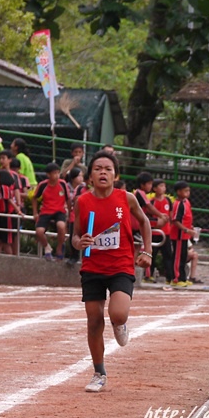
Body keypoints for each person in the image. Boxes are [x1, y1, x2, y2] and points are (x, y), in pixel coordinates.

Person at [72, 150, 152, 393]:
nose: (103, 172)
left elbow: (145, 222)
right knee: (94, 321)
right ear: (90, 177)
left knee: (117, 313)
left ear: (115, 175)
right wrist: (79, 242)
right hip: (92, 268)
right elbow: (75, 236)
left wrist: (146, 251)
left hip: (120, 266)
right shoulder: (83, 202)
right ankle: (99, 372)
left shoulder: (126, 199)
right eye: (97, 169)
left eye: (108, 168)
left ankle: (120, 323)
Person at [32, 162, 72, 261]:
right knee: (39, 231)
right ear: (48, 174)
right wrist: (35, 212)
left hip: (59, 210)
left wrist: (70, 211)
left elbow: (68, 199)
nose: (56, 175)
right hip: (46, 210)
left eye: (58, 173)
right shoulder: (43, 185)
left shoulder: (62, 183)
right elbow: (34, 198)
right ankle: (47, 247)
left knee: (61, 226)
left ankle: (59, 247)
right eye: (54, 173)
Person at [169, 181, 195, 287]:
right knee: (178, 257)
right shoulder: (178, 204)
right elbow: (175, 220)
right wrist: (186, 229)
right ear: (178, 192)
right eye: (185, 191)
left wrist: (190, 228)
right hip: (179, 235)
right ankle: (176, 278)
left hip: (184, 235)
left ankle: (183, 278)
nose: (187, 193)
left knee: (183, 256)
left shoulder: (186, 202)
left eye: (188, 191)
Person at [148, 179, 173, 283]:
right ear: (154, 189)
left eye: (164, 186)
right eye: (161, 186)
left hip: (166, 232)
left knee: (167, 255)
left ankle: (169, 277)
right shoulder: (152, 202)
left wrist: (167, 222)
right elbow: (149, 216)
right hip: (155, 232)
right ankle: (149, 275)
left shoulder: (168, 200)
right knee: (152, 254)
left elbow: (170, 215)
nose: (163, 188)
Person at [0, 168, 22, 255]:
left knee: (5, 242)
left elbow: (9, 200)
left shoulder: (4, 188)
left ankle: (11, 261)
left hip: (7, 216)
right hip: (0, 215)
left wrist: (18, 210)